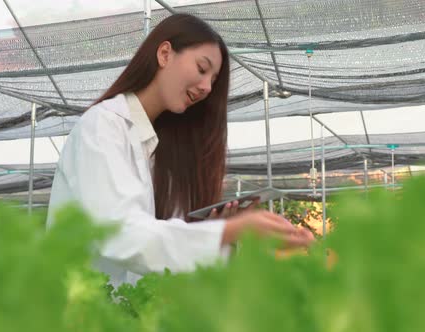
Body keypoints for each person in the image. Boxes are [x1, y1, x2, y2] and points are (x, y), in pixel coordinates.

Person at [46, 13, 314, 287]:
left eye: (213, 79)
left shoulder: (153, 148)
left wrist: (218, 232)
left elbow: (158, 255)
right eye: (201, 68)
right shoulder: (103, 126)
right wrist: (225, 231)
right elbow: (120, 235)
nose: (207, 87)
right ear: (164, 54)